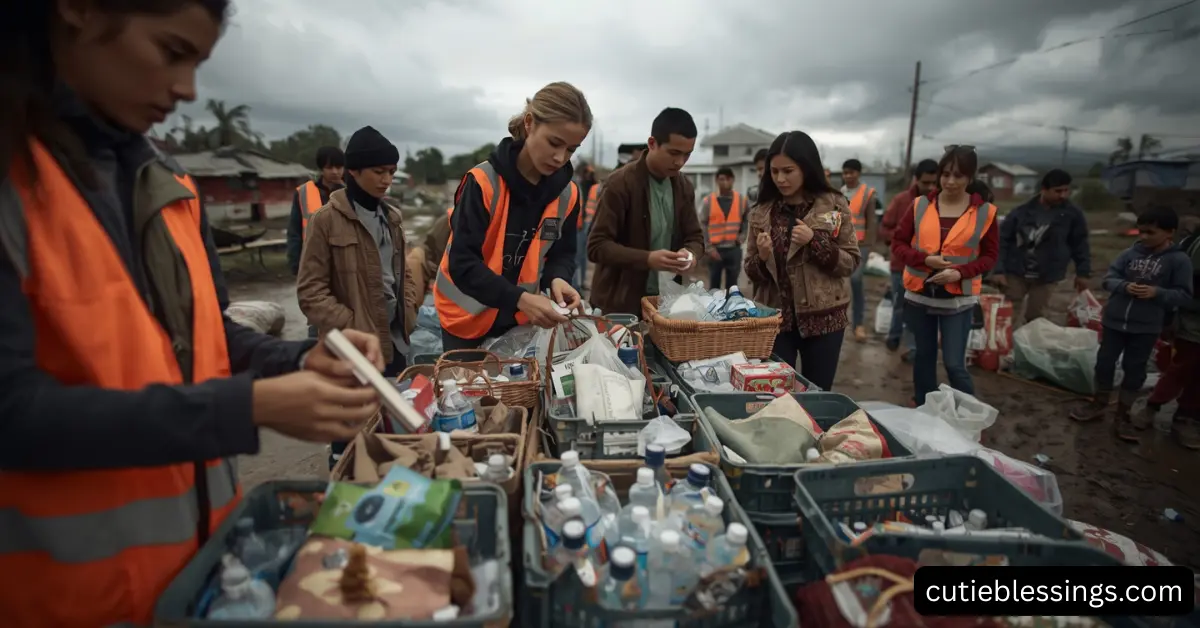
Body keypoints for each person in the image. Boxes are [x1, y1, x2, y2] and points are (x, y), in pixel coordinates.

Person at [0, 2, 385, 625]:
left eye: (199, 63)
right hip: (67, 598)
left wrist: (299, 357)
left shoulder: (164, 183)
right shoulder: (14, 179)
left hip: (203, 573)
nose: (187, 90)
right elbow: (13, 413)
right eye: (171, 52)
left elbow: (204, 331)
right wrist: (249, 407)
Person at [297, 126, 418, 468]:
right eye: (379, 172)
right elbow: (310, 292)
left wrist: (408, 308)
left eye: (391, 172)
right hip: (352, 350)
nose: (386, 180)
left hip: (395, 344)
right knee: (348, 440)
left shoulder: (392, 218)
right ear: (354, 171)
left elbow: (404, 273)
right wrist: (352, 327)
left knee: (390, 435)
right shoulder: (325, 221)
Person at [435, 82, 589, 350]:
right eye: (554, 142)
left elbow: (562, 254)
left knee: (519, 392)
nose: (560, 157)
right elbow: (462, 263)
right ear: (530, 123)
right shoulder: (483, 183)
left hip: (521, 323)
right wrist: (521, 299)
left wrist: (558, 278)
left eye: (571, 150)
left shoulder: (568, 195)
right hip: (466, 322)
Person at [743, 131, 860, 391]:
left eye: (788, 170)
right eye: (774, 172)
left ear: (806, 168)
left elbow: (850, 262)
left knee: (817, 394)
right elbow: (750, 271)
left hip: (824, 320)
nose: (781, 179)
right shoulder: (761, 212)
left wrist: (816, 242)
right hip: (775, 320)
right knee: (775, 395)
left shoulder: (834, 205)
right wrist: (761, 259)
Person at [1070, 207, 1194, 441]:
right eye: (1141, 231)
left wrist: (1156, 292)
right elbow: (1109, 279)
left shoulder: (1179, 261)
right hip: (1114, 322)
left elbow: (1184, 295)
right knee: (1104, 363)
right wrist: (1124, 287)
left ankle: (1123, 415)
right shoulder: (1129, 254)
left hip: (1146, 328)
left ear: (1170, 232)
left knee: (1135, 369)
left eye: (1151, 232)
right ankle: (1098, 404)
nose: (1144, 237)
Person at [891, 145, 999, 405]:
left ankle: (969, 414)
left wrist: (959, 273)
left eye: (959, 176)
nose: (950, 181)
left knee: (954, 364)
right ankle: (923, 406)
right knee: (924, 357)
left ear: (970, 178)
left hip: (958, 299)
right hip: (920, 296)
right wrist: (925, 260)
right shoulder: (919, 206)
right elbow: (898, 244)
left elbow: (990, 257)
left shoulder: (985, 213)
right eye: (946, 174)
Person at [588, 107, 705, 315]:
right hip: (619, 305)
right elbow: (596, 246)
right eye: (674, 153)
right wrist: (647, 259)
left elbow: (695, 237)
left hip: (666, 303)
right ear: (652, 144)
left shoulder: (684, 187)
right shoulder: (620, 184)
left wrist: (691, 254)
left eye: (687, 155)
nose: (680, 162)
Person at [993, 169, 1092, 326]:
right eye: (1058, 191)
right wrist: (998, 270)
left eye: (1066, 190)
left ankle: (1028, 348)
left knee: (1036, 317)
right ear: (1044, 190)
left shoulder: (1072, 215)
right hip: (1016, 271)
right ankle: (1004, 347)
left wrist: (1083, 272)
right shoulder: (1021, 212)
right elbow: (1002, 241)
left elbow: (1080, 243)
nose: (1063, 195)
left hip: (1047, 274)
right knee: (1007, 313)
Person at [1136, 217, 1200, 448]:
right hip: (1193, 321)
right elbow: (1182, 286)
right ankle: (1153, 405)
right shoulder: (1193, 247)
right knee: (1182, 367)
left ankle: (1186, 418)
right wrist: (1169, 317)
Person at [879, 159, 938, 358]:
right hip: (901, 265)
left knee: (920, 307)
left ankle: (912, 347)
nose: (930, 187)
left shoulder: (939, 203)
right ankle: (894, 336)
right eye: (925, 183)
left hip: (929, 267)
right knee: (900, 302)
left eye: (933, 183)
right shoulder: (901, 201)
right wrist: (901, 240)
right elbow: (885, 228)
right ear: (916, 179)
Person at [287, 145, 344, 275]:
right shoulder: (303, 193)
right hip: (312, 260)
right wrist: (295, 262)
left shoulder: (350, 193)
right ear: (321, 168)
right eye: (330, 168)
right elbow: (294, 230)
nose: (335, 172)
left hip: (343, 261)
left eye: (339, 167)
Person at [841, 159, 880, 342]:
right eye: (845, 172)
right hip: (841, 244)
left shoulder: (868, 194)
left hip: (860, 245)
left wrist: (871, 247)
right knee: (838, 285)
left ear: (858, 173)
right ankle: (837, 323)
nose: (848, 176)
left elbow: (872, 222)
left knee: (856, 281)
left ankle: (859, 324)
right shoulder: (839, 193)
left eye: (851, 172)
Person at [701, 166, 749, 290]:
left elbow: (746, 220)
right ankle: (714, 309)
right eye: (722, 179)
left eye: (728, 179)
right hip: (715, 250)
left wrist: (742, 236)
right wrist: (709, 248)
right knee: (714, 287)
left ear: (733, 180)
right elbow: (703, 224)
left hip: (734, 249)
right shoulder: (708, 201)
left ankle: (731, 308)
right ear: (717, 181)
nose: (725, 182)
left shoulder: (741, 200)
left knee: (732, 287)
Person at [575, 161, 598, 287]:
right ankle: (577, 285)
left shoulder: (592, 185)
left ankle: (579, 284)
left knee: (581, 257)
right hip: (582, 223)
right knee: (579, 257)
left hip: (586, 223)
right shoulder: (580, 184)